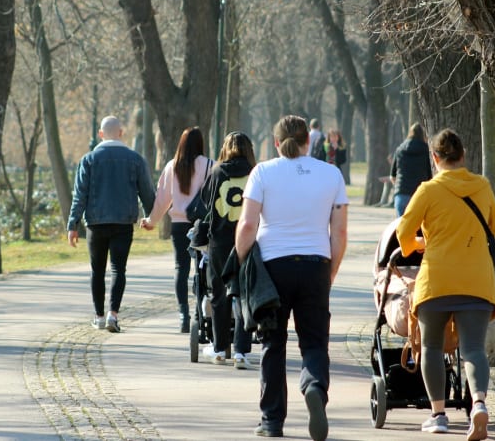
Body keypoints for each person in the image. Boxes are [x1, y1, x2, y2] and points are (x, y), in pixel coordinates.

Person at [235, 115, 348, 440]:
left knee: (273, 344)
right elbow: (339, 233)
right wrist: (329, 271)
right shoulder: (331, 174)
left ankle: (272, 421)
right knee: (314, 341)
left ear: (275, 142)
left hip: (273, 268)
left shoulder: (263, 172)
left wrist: (242, 263)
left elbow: (246, 225)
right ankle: (314, 385)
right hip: (315, 264)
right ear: (308, 141)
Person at [396, 128, 495, 440]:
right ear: (463, 155)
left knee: (430, 347)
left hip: (437, 281)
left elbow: (403, 235)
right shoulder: (482, 186)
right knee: (473, 349)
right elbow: (494, 226)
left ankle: (438, 415)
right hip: (476, 281)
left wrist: (419, 243)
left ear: (435, 157)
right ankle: (479, 403)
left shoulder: (427, 190)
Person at [68, 115, 155, 333]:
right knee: (118, 269)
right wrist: (151, 217)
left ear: (100, 134)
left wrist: (73, 224)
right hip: (123, 223)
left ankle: (98, 317)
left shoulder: (88, 160)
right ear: (121, 133)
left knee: (97, 270)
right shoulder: (135, 159)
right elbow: (147, 192)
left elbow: (80, 195)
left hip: (95, 223)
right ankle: (112, 315)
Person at [140, 127, 213, 333]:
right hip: (203, 225)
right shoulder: (210, 166)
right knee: (203, 267)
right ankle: (201, 310)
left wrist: (151, 221)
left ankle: (183, 314)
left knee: (181, 268)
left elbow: (162, 200)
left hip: (179, 225)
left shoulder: (172, 166)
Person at [198, 131, 256, 367]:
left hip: (220, 241)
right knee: (244, 294)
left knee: (218, 295)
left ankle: (220, 348)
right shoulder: (255, 173)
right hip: (247, 240)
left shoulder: (217, 171)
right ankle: (241, 351)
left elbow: (205, 202)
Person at [391, 122, 432, 216]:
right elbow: (430, 176)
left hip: (402, 194)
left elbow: (393, 177)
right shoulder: (426, 151)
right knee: (420, 229)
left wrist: (399, 186)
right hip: (420, 195)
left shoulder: (400, 149)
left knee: (402, 228)